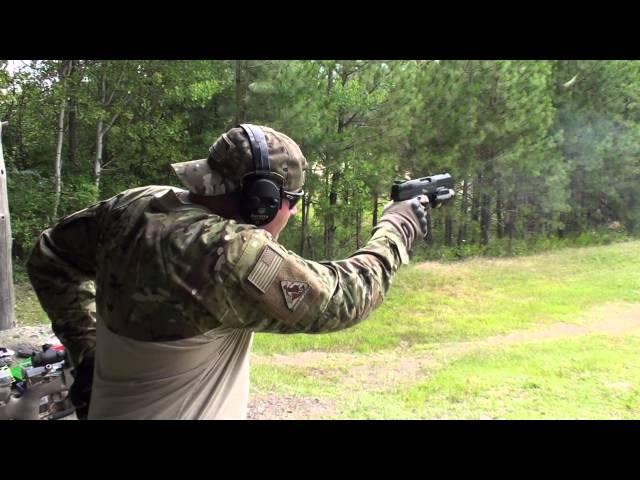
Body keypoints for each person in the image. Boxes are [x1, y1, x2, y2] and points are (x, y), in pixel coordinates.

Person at [26, 124, 429, 419]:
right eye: (290, 201)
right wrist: (397, 226)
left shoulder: (134, 207)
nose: (288, 214)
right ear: (264, 201)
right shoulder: (225, 253)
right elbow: (343, 299)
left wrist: (87, 351)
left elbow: (48, 257)